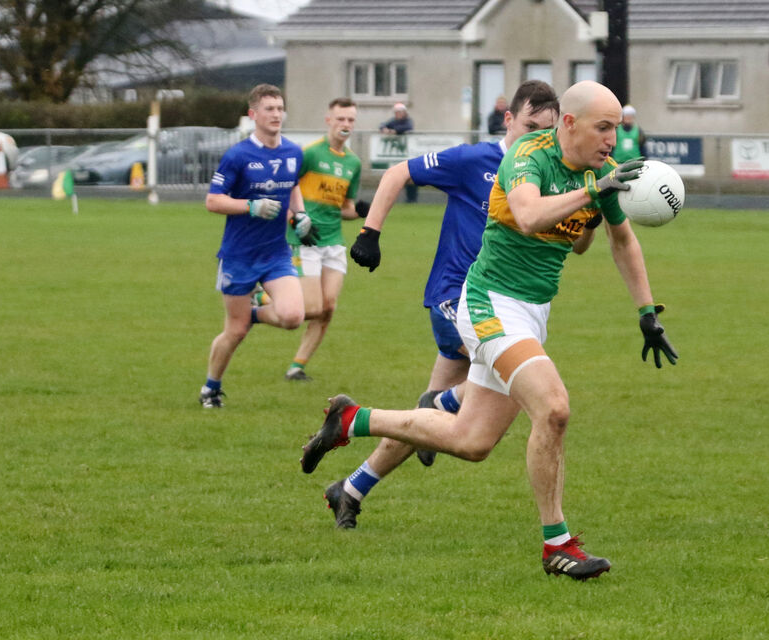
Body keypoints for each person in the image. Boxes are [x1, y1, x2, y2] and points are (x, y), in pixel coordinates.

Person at [301, 81, 678, 581]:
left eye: (616, 127)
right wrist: (593, 190)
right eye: (603, 127)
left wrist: (646, 311)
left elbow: (622, 241)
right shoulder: (528, 154)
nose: (613, 138)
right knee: (555, 408)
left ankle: (352, 420)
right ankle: (557, 546)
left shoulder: (602, 173)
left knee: (472, 440)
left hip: (531, 312)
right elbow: (526, 214)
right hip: (488, 303)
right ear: (569, 123)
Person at [330, 81, 602, 530]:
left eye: (547, 131)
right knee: (464, 400)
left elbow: (576, 244)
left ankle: (353, 487)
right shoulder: (474, 160)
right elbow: (398, 173)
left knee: (432, 423)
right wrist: (369, 233)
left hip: (505, 300)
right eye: (530, 125)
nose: (537, 137)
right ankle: (444, 399)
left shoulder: (548, 173)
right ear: (508, 119)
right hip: (457, 296)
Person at [199, 83, 318, 408]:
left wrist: (300, 215)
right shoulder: (238, 155)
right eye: (269, 109)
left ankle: (251, 314)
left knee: (294, 316)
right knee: (234, 332)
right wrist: (249, 206)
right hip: (238, 256)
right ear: (253, 115)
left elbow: (292, 187)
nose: (276, 114)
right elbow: (212, 201)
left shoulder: (293, 152)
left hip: (276, 253)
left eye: (280, 108)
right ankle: (211, 388)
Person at [283, 97, 369, 382]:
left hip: (333, 241)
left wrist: (360, 212)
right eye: (341, 119)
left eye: (351, 120)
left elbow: (344, 208)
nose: (346, 124)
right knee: (313, 308)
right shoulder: (309, 154)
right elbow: (286, 192)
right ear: (328, 120)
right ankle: (261, 299)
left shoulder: (354, 163)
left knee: (328, 307)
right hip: (305, 238)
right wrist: (296, 219)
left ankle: (297, 366)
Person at [379, 103, 418, 202]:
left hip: (409, 153)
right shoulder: (394, 121)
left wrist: (395, 131)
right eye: (396, 113)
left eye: (399, 112)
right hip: (400, 154)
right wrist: (384, 129)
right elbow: (382, 125)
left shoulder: (408, 121)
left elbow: (408, 127)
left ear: (404, 112)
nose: (397, 115)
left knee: (411, 176)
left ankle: (412, 198)